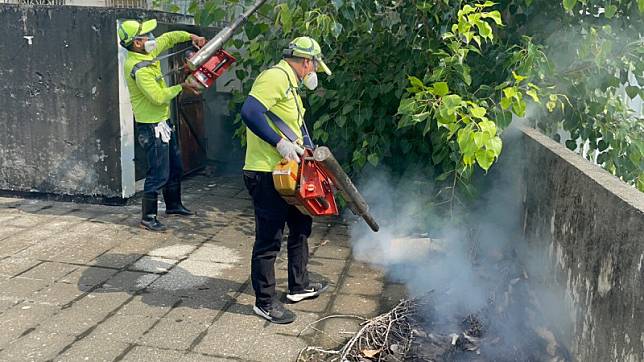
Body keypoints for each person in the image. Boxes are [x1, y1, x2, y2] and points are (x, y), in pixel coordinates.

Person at [239, 36, 333, 324]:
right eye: (315, 65)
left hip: (289, 171)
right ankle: (265, 301)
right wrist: (279, 143)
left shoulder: (291, 86)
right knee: (270, 238)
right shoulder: (275, 77)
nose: (314, 71)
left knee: (302, 224)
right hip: (266, 171)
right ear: (307, 61)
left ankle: (298, 285)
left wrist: (307, 147)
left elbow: (296, 127)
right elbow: (250, 112)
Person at [118, 19, 206, 232]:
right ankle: (148, 218)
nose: (151, 38)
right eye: (146, 36)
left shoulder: (147, 52)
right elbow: (157, 97)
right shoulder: (138, 68)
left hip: (163, 123)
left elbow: (169, 37)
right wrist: (181, 87)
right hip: (151, 127)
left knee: (175, 166)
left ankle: (174, 205)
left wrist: (192, 37)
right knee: (158, 172)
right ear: (137, 43)